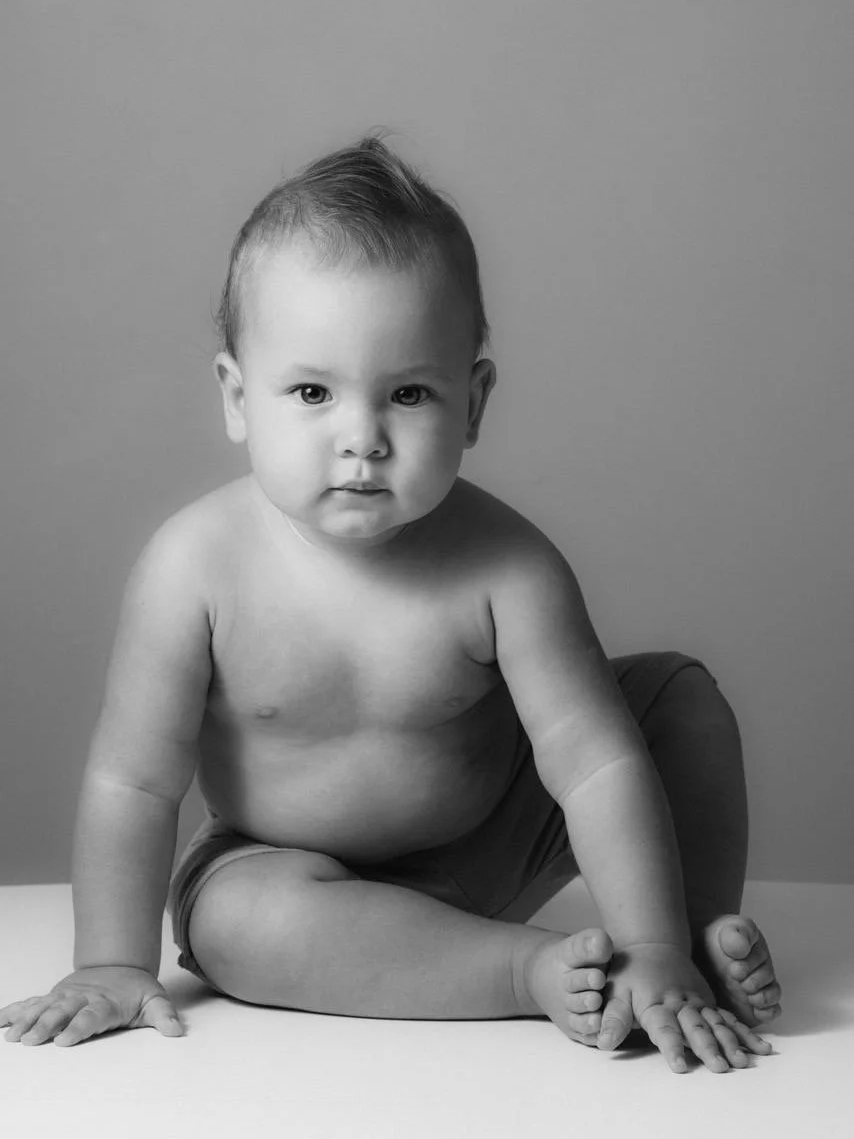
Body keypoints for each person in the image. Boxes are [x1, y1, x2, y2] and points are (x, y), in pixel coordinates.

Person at [1, 135, 781, 1071]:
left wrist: (650, 936)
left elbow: (592, 765)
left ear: (475, 401)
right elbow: (133, 781)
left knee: (676, 701)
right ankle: (525, 973)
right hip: (286, 866)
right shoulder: (193, 568)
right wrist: (112, 963)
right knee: (240, 925)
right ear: (238, 397)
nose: (362, 439)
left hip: (495, 840)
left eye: (409, 392)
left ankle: (676, 958)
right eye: (312, 392)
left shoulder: (509, 566)